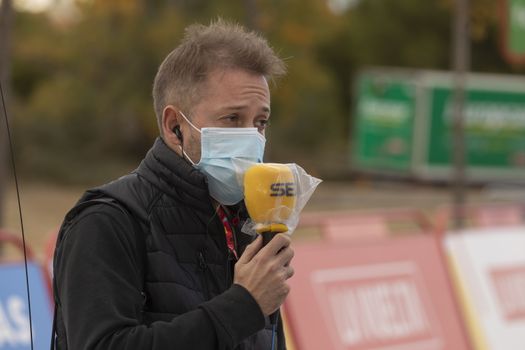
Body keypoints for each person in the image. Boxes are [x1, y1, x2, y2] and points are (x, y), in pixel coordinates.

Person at [52, 20, 294, 350]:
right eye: (233, 119)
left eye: (260, 122)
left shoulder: (249, 222)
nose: (252, 137)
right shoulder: (106, 221)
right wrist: (242, 307)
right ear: (174, 126)